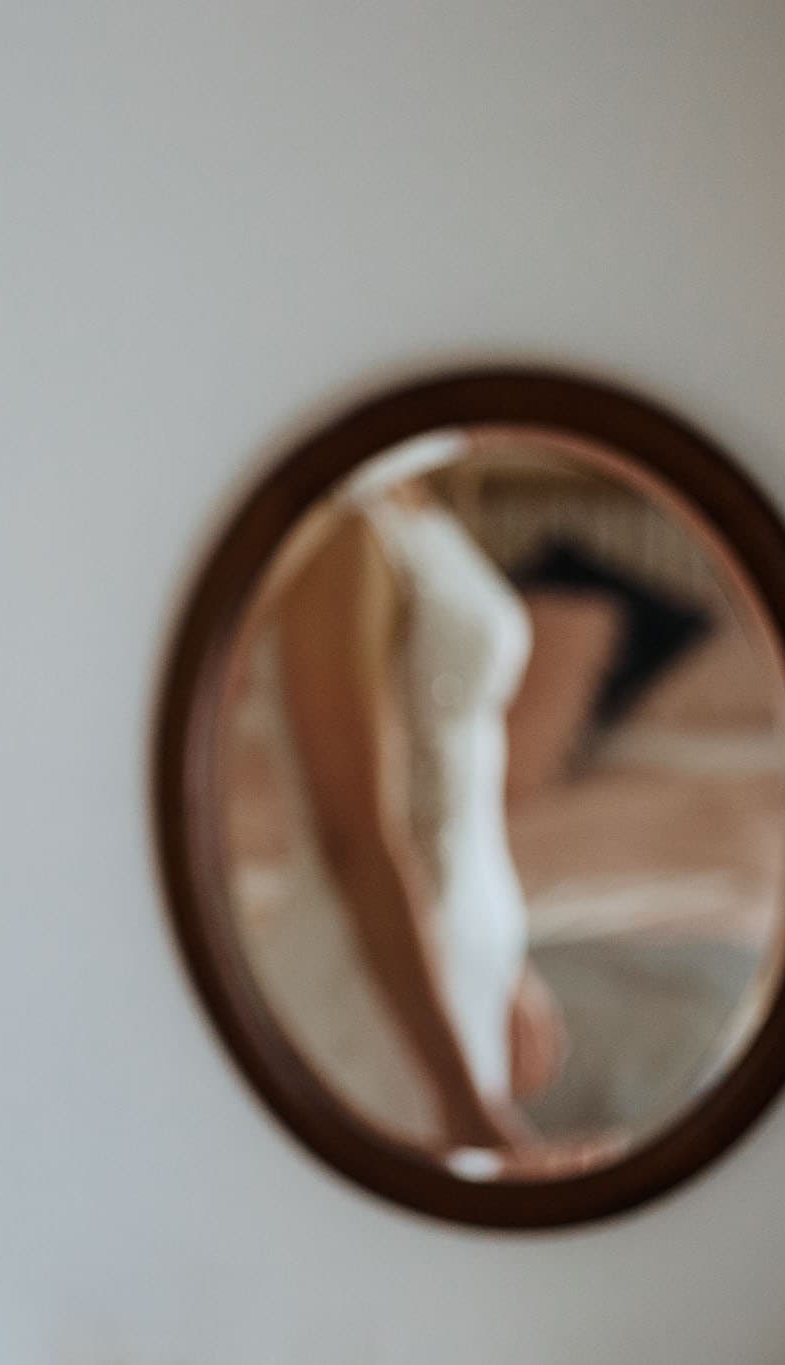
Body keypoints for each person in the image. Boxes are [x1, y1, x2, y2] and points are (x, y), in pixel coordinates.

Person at [228, 429, 597, 1179]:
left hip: (462, 942)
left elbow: (455, 778)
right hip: (373, 982)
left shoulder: (421, 496)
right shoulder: (348, 533)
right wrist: (463, 1101)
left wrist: (506, 967)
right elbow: (356, 834)